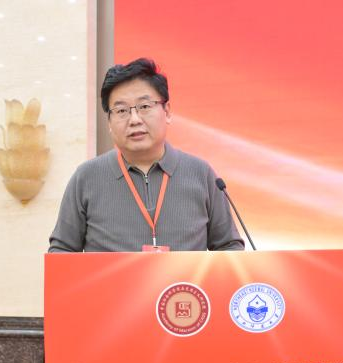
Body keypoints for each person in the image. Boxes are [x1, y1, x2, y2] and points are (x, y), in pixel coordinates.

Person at [48, 58, 244, 252]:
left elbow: (229, 247)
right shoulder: (86, 177)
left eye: (144, 107)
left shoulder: (201, 174)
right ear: (109, 122)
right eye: (121, 110)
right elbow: (61, 251)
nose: (134, 119)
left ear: (167, 111)